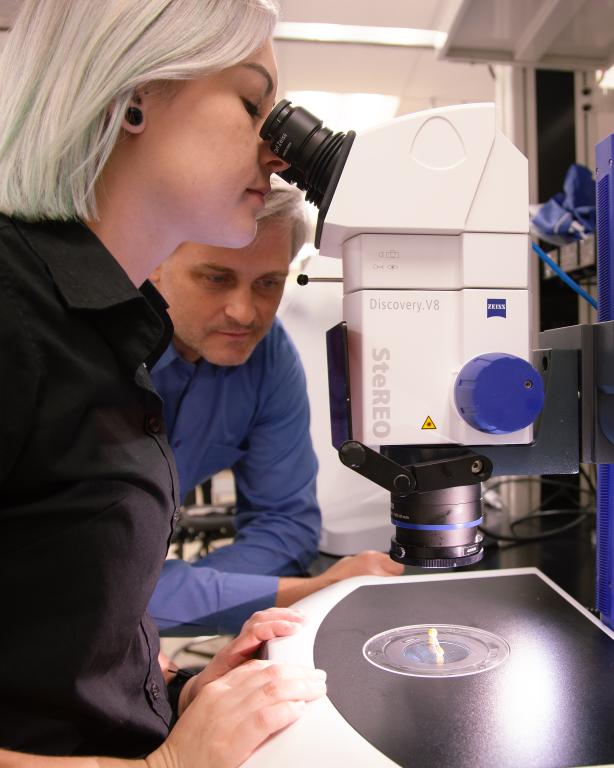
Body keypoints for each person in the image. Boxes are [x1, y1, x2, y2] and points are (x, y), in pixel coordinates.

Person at [0, 1, 327, 765]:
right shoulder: (15, 313)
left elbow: (53, 627)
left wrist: (180, 689)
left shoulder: (102, 326)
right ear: (136, 92)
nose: (280, 152)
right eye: (252, 104)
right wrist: (170, 765)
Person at [147, 178, 404, 635]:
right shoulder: (90, 357)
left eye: (268, 283)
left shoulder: (268, 358)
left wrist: (177, 593)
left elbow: (285, 524)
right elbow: (87, 581)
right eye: (216, 277)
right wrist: (299, 592)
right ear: (153, 263)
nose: (245, 313)